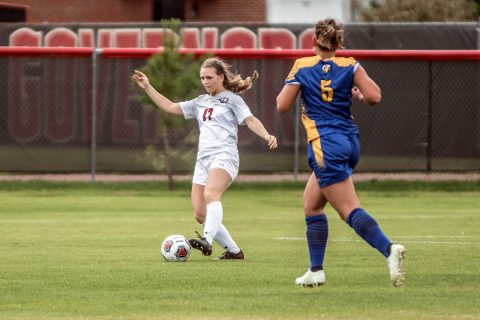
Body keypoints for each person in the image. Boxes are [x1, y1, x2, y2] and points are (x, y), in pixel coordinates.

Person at [276, 18, 406, 287]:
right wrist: (355, 94)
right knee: (312, 205)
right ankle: (316, 270)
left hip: (325, 146)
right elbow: (374, 96)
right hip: (349, 142)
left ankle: (388, 249)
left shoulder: (302, 65)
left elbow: (281, 105)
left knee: (348, 209)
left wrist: (299, 87)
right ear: (339, 43)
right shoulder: (350, 64)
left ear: (313, 41)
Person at [133, 57, 277, 260]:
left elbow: (250, 120)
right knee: (200, 213)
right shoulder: (200, 101)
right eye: (202, 78)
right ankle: (234, 252)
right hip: (203, 160)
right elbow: (171, 107)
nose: (205, 81)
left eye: (209, 77)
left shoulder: (232, 99)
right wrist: (147, 87)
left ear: (221, 77)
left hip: (224, 155)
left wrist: (267, 135)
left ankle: (207, 241)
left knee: (211, 195)